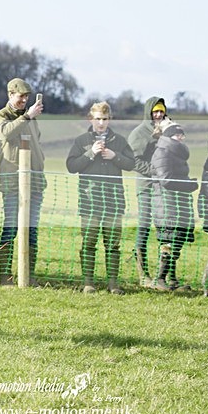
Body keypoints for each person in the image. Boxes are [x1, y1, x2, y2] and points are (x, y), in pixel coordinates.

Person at [66, 102, 135, 294]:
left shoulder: (120, 141)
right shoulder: (81, 141)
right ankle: (88, 283)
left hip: (114, 202)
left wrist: (115, 156)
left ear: (109, 119)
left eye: (104, 119)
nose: (101, 123)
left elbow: (131, 164)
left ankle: (113, 284)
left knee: (112, 243)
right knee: (89, 242)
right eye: (97, 119)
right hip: (90, 202)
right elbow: (71, 166)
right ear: (91, 119)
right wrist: (90, 153)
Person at [0, 78, 45, 286]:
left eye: (26, 97)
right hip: (14, 183)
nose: (24, 100)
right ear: (10, 94)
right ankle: (6, 276)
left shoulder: (30, 118)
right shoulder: (0, 116)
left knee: (32, 230)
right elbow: (5, 133)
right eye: (20, 96)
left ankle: (29, 276)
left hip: (36, 182)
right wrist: (28, 116)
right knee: (10, 228)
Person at [150, 122, 197, 291]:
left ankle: (172, 279)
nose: (181, 138)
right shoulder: (162, 152)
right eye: (178, 135)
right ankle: (160, 279)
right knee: (168, 241)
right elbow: (167, 180)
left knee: (177, 241)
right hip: (166, 203)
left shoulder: (176, 152)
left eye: (182, 135)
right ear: (169, 136)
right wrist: (190, 185)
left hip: (178, 203)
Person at [127, 97, 169, 285]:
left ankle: (167, 276)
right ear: (148, 113)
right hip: (146, 187)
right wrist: (155, 171)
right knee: (144, 227)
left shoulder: (169, 129)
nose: (158, 115)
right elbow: (133, 160)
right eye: (155, 112)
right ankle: (143, 274)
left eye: (161, 111)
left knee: (166, 229)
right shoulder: (138, 133)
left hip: (166, 188)